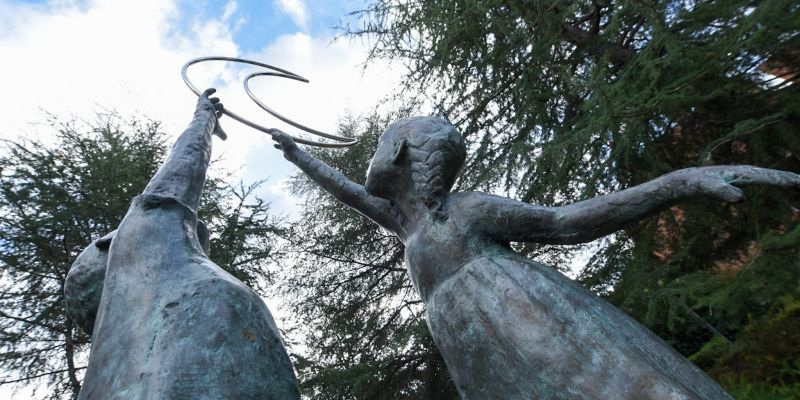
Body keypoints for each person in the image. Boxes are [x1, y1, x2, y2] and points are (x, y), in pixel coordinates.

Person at [270, 116, 799, 399]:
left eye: (382, 142)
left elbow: (564, 223)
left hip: (526, 317)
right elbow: (347, 192)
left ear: (400, 158)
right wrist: (297, 154)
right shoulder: (406, 223)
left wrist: (677, 182)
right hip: (468, 339)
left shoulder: (470, 211)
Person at [65, 89, 300, 400]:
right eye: (124, 232)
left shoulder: (106, 375)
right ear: (110, 247)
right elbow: (177, 176)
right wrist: (203, 119)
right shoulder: (139, 262)